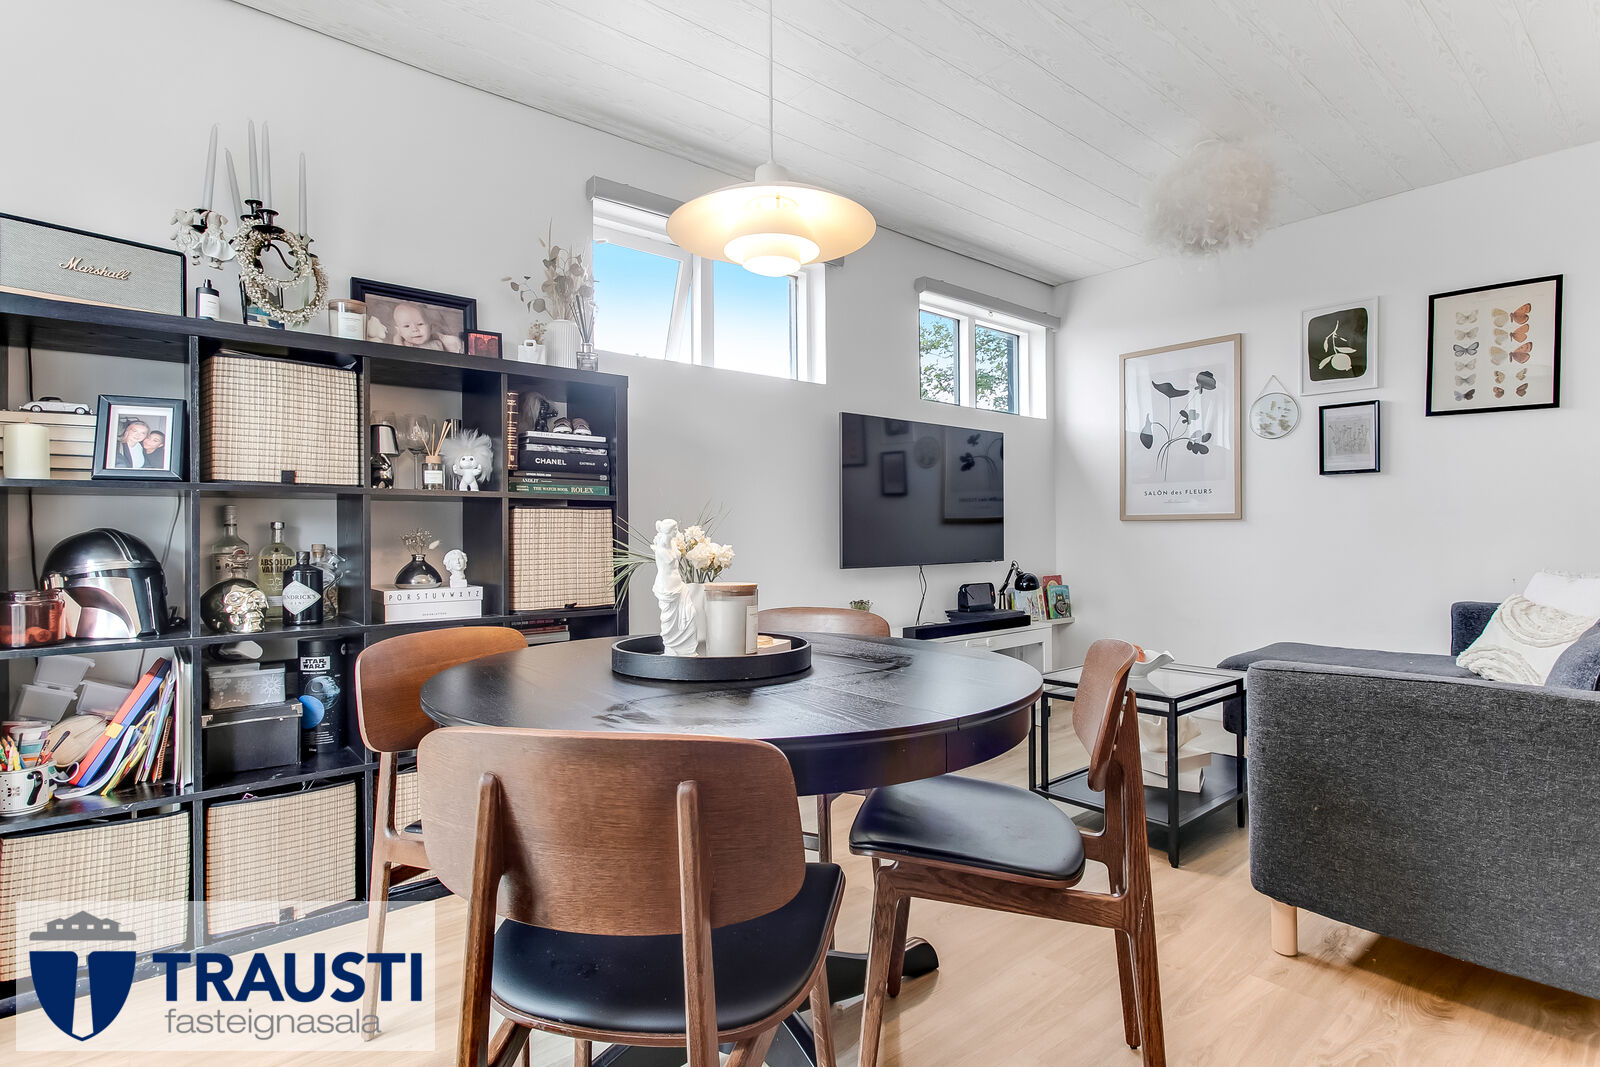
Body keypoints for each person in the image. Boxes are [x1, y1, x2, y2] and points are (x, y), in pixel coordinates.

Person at [390, 302, 462, 353]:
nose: (415, 329)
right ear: (399, 331)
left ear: (430, 327)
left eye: (420, 324)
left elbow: (451, 343)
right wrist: (397, 340)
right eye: (406, 326)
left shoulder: (437, 340)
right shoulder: (404, 346)